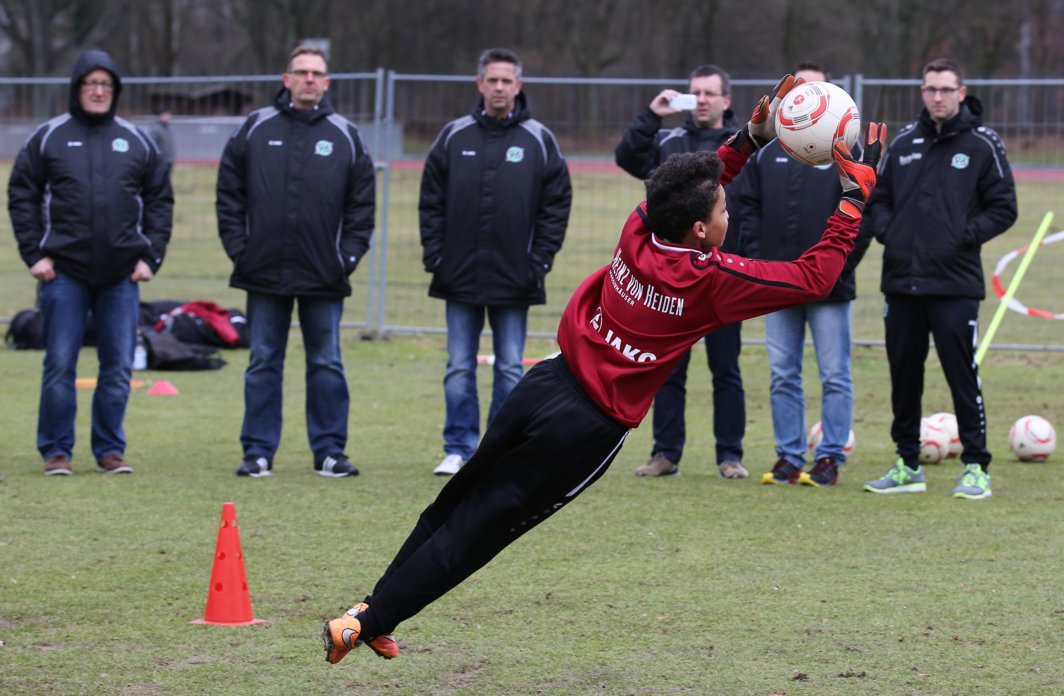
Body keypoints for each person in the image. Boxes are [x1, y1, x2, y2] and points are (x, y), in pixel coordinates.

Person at [321, 75, 885, 663]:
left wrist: (748, 138)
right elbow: (816, 276)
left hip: (543, 384)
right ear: (700, 228)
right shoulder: (710, 281)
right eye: (722, 207)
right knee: (481, 532)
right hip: (582, 428)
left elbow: (688, 186)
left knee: (459, 499)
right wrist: (851, 198)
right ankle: (364, 622)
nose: (727, 206)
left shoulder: (641, 226)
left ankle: (376, 606)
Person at [856, 58, 1017, 499]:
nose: (938, 97)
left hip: (955, 284)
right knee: (904, 376)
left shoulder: (984, 144)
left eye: (947, 89)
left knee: (961, 373)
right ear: (922, 92)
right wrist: (891, 232)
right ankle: (907, 463)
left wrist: (963, 236)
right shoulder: (905, 141)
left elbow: (1004, 207)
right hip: (902, 283)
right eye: (931, 89)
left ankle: (976, 467)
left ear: (961, 93)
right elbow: (879, 199)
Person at [7, 49, 173, 476]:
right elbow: (22, 194)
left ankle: (109, 450)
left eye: (106, 85)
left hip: (121, 275)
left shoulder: (136, 140)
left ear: (115, 91)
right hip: (63, 273)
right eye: (90, 84)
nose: (98, 92)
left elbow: (160, 200)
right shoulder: (49, 137)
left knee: (117, 366)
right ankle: (56, 451)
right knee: (60, 363)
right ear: (76, 89)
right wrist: (34, 254)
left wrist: (150, 256)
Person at [216, 44, 375, 478]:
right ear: (286, 79)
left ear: (326, 83)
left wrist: (348, 255)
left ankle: (329, 451)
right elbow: (228, 192)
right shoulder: (254, 128)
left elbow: (362, 203)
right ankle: (258, 451)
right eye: (300, 72)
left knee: (326, 362)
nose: (308, 79)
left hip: (324, 271)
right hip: (263, 270)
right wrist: (239, 248)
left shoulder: (345, 134)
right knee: (264, 359)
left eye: (316, 73)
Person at [419, 48, 572, 476]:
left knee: (509, 366)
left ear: (518, 86)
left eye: (507, 81)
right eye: (493, 80)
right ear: (480, 84)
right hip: (458, 274)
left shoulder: (539, 139)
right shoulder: (454, 136)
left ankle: (500, 449)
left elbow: (556, 205)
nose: (500, 87)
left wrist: (538, 259)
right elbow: (430, 201)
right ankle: (458, 446)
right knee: (458, 365)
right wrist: (436, 256)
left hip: (515, 276)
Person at [615, 64, 748, 479]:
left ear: (726, 100)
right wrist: (652, 116)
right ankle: (665, 453)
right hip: (672, 278)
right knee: (669, 368)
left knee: (726, 369)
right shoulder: (669, 140)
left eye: (710, 93)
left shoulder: (742, 145)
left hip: (721, 278)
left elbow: (754, 206)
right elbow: (627, 157)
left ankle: (730, 455)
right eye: (696, 93)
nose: (702, 100)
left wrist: (744, 259)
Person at [736, 62, 856, 488]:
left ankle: (829, 458)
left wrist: (839, 264)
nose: (806, 94)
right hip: (778, 284)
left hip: (831, 288)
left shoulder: (848, 151)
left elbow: (866, 213)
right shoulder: (769, 151)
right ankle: (788, 456)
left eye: (815, 87)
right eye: (799, 87)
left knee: (834, 374)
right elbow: (744, 207)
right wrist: (758, 258)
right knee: (783, 373)